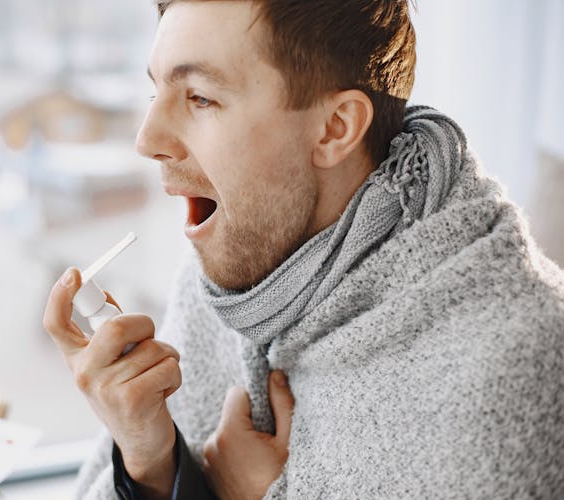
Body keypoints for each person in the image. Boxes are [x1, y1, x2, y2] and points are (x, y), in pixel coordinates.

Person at [43, 1, 564, 498]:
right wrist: (151, 462)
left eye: (200, 97)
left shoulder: (512, 368)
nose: (147, 137)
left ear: (335, 128)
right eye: (155, 91)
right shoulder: (229, 266)